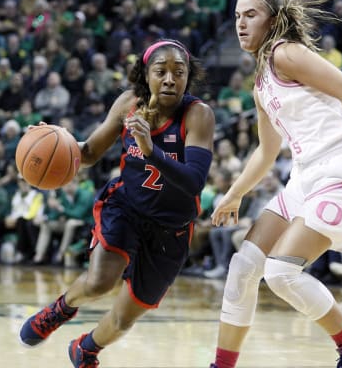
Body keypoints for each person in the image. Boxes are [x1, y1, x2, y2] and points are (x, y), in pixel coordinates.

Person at [209, 0, 342, 368]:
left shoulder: (286, 52)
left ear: (274, 19)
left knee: (281, 273)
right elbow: (266, 150)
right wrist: (234, 194)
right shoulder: (261, 80)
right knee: (244, 266)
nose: (241, 24)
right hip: (305, 176)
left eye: (251, 15)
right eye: (237, 16)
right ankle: (222, 365)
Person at [19, 39, 215, 368]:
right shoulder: (129, 104)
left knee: (124, 321)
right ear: (146, 75)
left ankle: (86, 348)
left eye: (178, 73)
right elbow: (91, 152)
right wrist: (53, 142)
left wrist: (151, 149)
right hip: (127, 209)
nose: (170, 79)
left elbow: (194, 180)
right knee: (99, 282)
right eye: (161, 71)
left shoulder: (198, 115)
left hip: (172, 230)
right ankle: (61, 308)